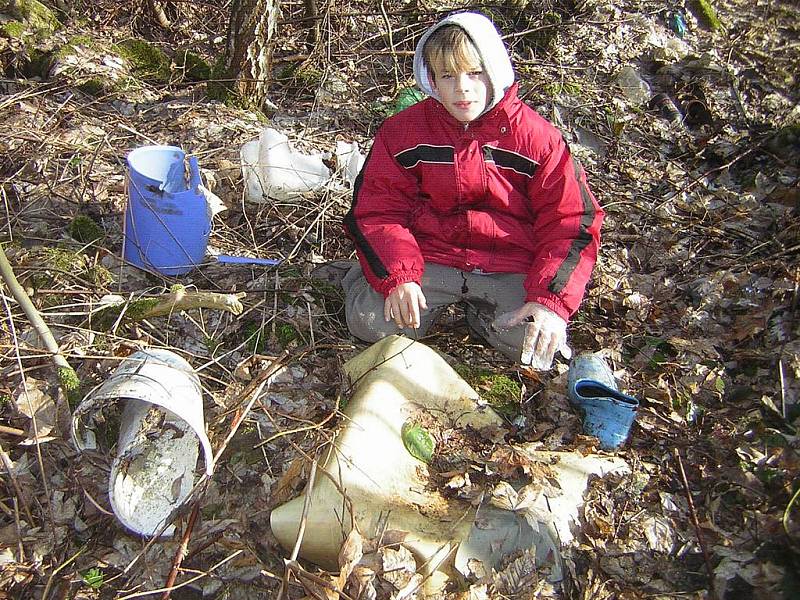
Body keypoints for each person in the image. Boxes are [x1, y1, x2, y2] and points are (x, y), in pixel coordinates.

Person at [341, 11, 604, 369]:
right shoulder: (402, 132)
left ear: (494, 70)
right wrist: (398, 276)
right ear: (431, 80)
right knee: (369, 322)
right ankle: (364, 278)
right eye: (447, 76)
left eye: (474, 73)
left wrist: (548, 301)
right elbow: (376, 210)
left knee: (538, 351)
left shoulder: (539, 139)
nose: (462, 88)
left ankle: (482, 316)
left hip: (510, 264)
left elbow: (572, 223)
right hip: (431, 256)